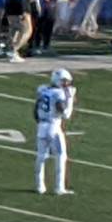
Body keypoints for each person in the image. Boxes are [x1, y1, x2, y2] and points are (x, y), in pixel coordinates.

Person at [33, 67, 76, 196]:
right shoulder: (60, 94)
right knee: (61, 156)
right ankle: (59, 187)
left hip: (42, 125)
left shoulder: (43, 90)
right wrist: (70, 98)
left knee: (41, 157)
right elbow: (66, 114)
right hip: (54, 126)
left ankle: (40, 186)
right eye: (64, 81)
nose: (66, 84)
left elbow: (35, 110)